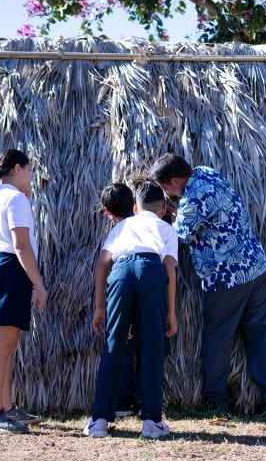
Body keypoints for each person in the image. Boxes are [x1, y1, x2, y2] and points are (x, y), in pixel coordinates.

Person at [150, 154, 266, 416]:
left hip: (226, 278)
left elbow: (177, 238)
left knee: (218, 338)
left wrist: (161, 218)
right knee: (260, 332)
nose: (166, 194)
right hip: (256, 267)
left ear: (176, 180)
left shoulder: (192, 201)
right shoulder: (207, 172)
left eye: (165, 187)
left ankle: (216, 400)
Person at [84, 180, 178, 439]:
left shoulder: (123, 225)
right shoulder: (166, 229)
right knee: (153, 348)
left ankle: (99, 421)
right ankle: (151, 422)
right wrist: (171, 312)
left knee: (113, 346)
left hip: (121, 271)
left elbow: (103, 263)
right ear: (161, 209)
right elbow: (170, 269)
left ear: (135, 207)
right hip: (152, 271)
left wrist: (100, 306)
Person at [0, 149, 48, 434]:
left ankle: (5, 408)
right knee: (1, 345)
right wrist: (39, 284)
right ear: (17, 169)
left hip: (7, 271)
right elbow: (21, 245)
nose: (32, 175)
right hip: (9, 270)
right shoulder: (15, 198)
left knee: (7, 344)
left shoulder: (7, 197)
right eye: (29, 169)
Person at [98, 182, 141, 417]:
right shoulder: (146, 225)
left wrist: (99, 306)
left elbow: (103, 264)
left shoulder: (117, 232)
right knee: (148, 346)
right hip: (151, 283)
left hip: (123, 286)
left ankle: (123, 403)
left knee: (122, 346)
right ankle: (145, 401)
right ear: (134, 206)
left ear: (107, 212)